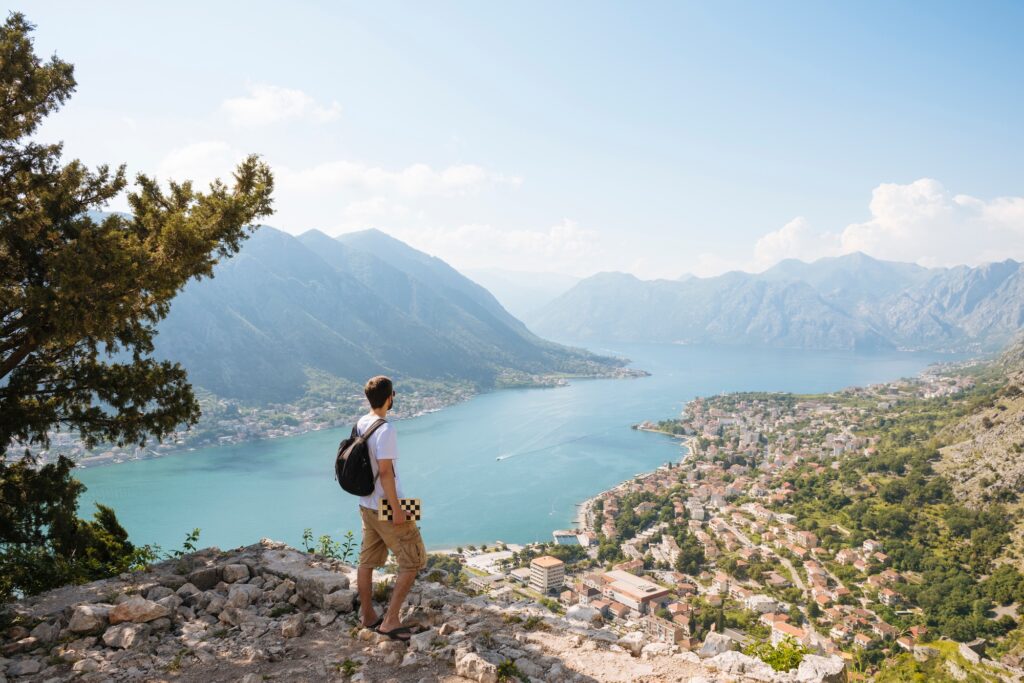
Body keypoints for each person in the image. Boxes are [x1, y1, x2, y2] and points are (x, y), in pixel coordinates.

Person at [355, 375, 426, 641]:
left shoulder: (361, 423)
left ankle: (368, 616)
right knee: (414, 560)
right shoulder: (386, 429)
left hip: (366, 504)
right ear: (390, 397)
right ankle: (391, 620)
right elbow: (385, 473)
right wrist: (397, 510)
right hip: (387, 505)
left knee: (367, 561)